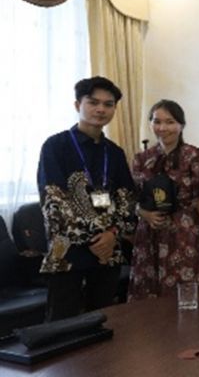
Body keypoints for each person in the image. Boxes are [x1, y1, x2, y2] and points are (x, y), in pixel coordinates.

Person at [37, 76, 136, 321]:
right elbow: (54, 200)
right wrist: (95, 238)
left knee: (103, 320)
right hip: (68, 251)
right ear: (77, 105)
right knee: (61, 324)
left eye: (108, 104)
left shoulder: (114, 152)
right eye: (93, 102)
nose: (101, 109)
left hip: (108, 250)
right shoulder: (55, 146)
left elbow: (126, 200)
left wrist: (112, 234)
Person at [128, 100, 199, 301]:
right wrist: (144, 214)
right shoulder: (141, 159)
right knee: (148, 293)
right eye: (157, 122)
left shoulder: (195, 156)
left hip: (184, 233)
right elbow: (131, 199)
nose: (163, 128)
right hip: (149, 232)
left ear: (181, 125)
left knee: (185, 292)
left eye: (170, 122)